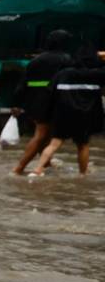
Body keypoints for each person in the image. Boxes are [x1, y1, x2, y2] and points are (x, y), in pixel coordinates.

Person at [32, 47, 103, 176]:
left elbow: (50, 93)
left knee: (54, 144)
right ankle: (83, 174)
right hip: (84, 116)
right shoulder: (97, 74)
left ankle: (38, 169)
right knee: (82, 145)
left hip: (63, 114)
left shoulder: (64, 73)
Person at [11, 30, 74, 175]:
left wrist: (17, 104)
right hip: (54, 102)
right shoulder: (66, 59)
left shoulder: (35, 60)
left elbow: (22, 84)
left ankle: (46, 164)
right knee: (41, 135)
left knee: (43, 134)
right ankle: (19, 168)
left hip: (34, 103)